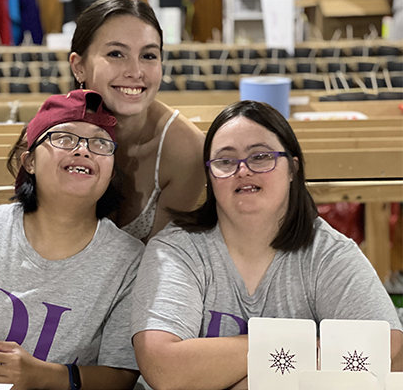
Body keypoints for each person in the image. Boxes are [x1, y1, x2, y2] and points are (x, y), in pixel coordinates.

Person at [130, 100, 403, 389]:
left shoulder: (328, 254)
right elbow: (164, 368)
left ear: (292, 168)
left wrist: (246, 380)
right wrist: (307, 350)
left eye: (260, 156)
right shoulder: (176, 250)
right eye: (225, 161)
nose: (243, 170)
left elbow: (384, 346)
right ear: (210, 176)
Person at [0, 90, 144, 390]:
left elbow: (120, 374)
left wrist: (41, 377)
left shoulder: (129, 260)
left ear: (110, 171)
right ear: (28, 161)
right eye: (65, 138)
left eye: (100, 143)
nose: (83, 150)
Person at [68, 0, 206, 242]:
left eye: (148, 56)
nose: (135, 72)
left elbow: (161, 259)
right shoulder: (54, 135)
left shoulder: (186, 150)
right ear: (79, 66)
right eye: (116, 54)